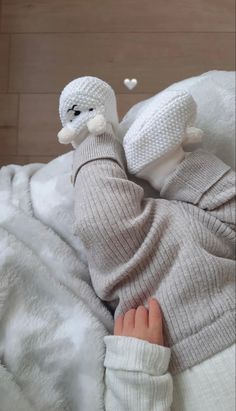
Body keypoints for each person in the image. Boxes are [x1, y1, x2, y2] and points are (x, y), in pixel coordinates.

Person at [58, 76, 235, 410]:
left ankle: (92, 136)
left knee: (104, 223)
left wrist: (135, 368)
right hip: (225, 254)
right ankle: (166, 164)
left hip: (162, 309)